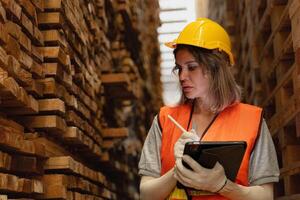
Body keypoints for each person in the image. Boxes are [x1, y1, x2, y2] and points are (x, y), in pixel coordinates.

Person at [138, 18, 279, 200]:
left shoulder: (252, 121)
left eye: (192, 67)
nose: (182, 76)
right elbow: (146, 195)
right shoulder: (165, 120)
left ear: (217, 67)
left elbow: (266, 196)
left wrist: (223, 186)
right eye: (179, 68)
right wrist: (177, 171)